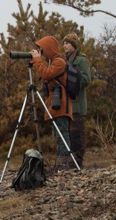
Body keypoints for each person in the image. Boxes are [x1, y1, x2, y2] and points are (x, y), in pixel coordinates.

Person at [30, 36, 73, 173]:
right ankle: (59, 165)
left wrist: (38, 60)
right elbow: (44, 75)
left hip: (61, 105)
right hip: (55, 104)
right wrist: (37, 61)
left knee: (62, 134)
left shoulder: (59, 62)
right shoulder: (51, 62)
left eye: (43, 49)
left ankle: (63, 165)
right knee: (57, 136)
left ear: (49, 48)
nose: (41, 52)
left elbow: (46, 74)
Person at [62, 33, 91, 169]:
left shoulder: (80, 60)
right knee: (70, 136)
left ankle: (77, 163)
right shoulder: (67, 61)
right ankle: (70, 163)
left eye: (67, 43)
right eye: (64, 43)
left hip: (78, 107)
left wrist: (72, 79)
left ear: (74, 45)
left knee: (78, 137)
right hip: (68, 107)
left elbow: (86, 79)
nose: (65, 45)